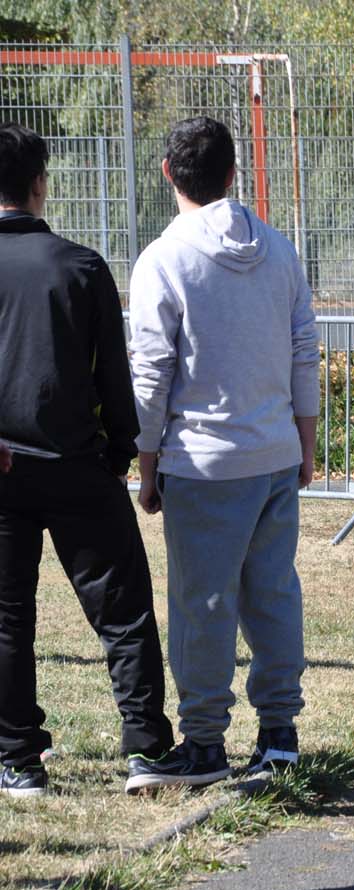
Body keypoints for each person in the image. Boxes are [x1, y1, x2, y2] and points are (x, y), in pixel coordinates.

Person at [125, 116, 319, 788]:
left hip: (201, 460)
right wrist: (305, 442)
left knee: (203, 605)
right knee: (273, 595)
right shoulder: (279, 248)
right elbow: (304, 351)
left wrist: (145, 462)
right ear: (235, 174)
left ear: (167, 174)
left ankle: (204, 743)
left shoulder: (163, 259)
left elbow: (150, 373)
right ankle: (280, 734)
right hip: (271, 452)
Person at [0, 123, 176, 798]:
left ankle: (18, 762)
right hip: (76, 463)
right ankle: (147, 750)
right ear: (40, 183)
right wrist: (122, 453)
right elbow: (115, 378)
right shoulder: (80, 266)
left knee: (9, 617)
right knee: (123, 611)